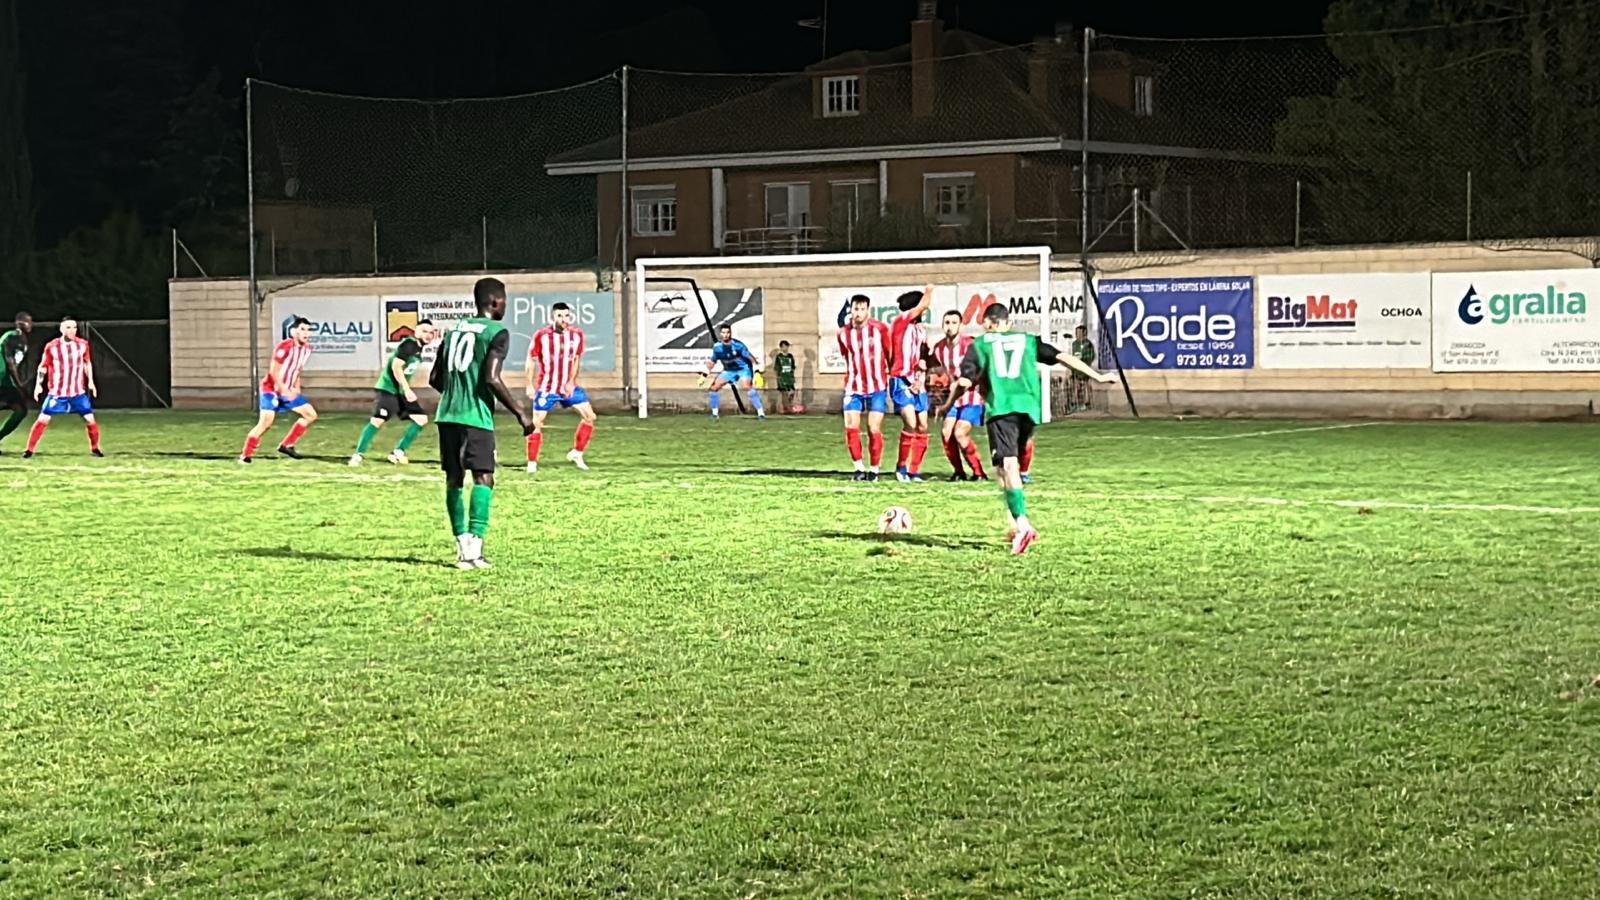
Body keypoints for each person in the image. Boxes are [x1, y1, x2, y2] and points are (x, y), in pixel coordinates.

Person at [942, 303, 1116, 554]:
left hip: (1002, 408)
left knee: (1008, 465)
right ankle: (1014, 524)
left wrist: (948, 402)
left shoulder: (980, 344)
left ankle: (1023, 527)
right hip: (1029, 410)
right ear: (1008, 323)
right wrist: (1097, 376)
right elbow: (1062, 357)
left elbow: (965, 380)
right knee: (1002, 468)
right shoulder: (1027, 340)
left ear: (988, 324)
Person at [432, 277, 535, 569]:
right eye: (504, 301)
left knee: (453, 478)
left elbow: (435, 379)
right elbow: (491, 378)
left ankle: (460, 545)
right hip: (475, 418)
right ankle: (475, 548)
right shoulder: (496, 331)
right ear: (495, 302)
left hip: (447, 415)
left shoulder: (453, 330)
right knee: (483, 477)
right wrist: (520, 414)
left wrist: (457, 394)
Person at [350, 320, 438, 466]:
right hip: (388, 389)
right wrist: (407, 388)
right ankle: (358, 454)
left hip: (400, 392)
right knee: (377, 421)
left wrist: (405, 389)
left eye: (430, 332)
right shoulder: (409, 345)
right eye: (424, 331)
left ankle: (398, 452)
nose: (428, 335)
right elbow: (396, 367)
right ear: (416, 331)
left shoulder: (418, 348)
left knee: (420, 418)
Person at [524, 301, 597, 473]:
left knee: (590, 416)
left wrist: (571, 381)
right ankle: (532, 463)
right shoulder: (541, 335)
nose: (563, 319)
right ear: (553, 317)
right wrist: (529, 385)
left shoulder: (576, 334)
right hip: (546, 388)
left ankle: (577, 453)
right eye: (559, 316)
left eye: (566, 316)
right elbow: (530, 359)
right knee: (537, 423)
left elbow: (576, 359)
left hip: (567, 387)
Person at [240, 316, 316, 464]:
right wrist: (283, 390)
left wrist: (296, 388)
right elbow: (274, 372)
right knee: (265, 423)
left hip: (287, 390)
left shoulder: (306, 349)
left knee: (310, 415)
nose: (306, 333)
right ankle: (245, 455)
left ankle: (286, 445)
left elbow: (297, 369)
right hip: (271, 390)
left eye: (308, 330)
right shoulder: (284, 347)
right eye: (302, 329)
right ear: (294, 332)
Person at [23, 317, 101, 458]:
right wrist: (38, 385)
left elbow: (86, 362)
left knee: (90, 419)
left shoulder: (83, 344)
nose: (72, 331)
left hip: (77, 392)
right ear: (61, 329)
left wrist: (91, 382)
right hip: (57, 393)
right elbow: (43, 366)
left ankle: (95, 449)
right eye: (69, 327)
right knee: (43, 419)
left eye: (75, 328)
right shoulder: (52, 346)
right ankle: (29, 450)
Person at [836, 294, 891, 481]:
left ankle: (874, 470)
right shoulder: (842, 333)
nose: (858, 313)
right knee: (851, 427)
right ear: (850, 310)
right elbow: (846, 355)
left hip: (877, 387)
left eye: (861, 309)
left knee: (873, 428)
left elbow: (888, 352)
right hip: (853, 387)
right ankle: (859, 469)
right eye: (855, 309)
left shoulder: (880, 329)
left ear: (868, 310)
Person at [930, 309, 987, 482]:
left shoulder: (971, 344)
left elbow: (984, 367)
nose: (950, 326)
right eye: (947, 323)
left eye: (954, 323)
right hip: (954, 397)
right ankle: (959, 472)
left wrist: (975, 382)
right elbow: (933, 366)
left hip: (972, 396)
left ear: (961, 325)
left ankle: (978, 472)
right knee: (946, 433)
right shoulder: (939, 348)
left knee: (960, 433)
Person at [888, 285, 934, 482]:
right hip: (900, 380)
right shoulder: (900, 322)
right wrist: (929, 290)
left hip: (918, 381)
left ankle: (914, 471)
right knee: (911, 422)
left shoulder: (921, 330)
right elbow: (923, 304)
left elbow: (923, 356)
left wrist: (920, 378)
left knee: (923, 426)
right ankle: (901, 467)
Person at [704, 324, 765, 420]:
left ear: (730, 333)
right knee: (713, 388)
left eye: (728, 332)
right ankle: (715, 414)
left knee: (746, 386)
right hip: (729, 371)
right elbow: (713, 361)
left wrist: (757, 371)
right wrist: (704, 374)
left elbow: (750, 357)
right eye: (723, 333)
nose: (726, 335)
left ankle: (761, 413)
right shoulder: (717, 347)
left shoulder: (738, 345)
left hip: (743, 369)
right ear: (720, 334)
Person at [0, 311, 32, 453]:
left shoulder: (23, 340)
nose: (30, 324)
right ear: (19, 323)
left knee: (20, 410)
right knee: (20, 409)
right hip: (1, 378)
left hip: (5, 381)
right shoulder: (11, 337)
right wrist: (19, 384)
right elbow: (10, 362)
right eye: (27, 321)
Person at [1069, 324, 1097, 413]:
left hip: (1085, 367)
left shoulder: (1088, 344)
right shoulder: (1074, 344)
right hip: (1076, 368)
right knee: (1075, 385)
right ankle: (1073, 403)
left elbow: (1092, 356)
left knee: (1086, 384)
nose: (1077, 334)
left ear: (1084, 333)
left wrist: (1084, 359)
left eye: (1079, 332)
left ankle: (1086, 403)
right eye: (1076, 333)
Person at [772, 340, 798, 412]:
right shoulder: (779, 357)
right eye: (784, 346)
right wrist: (778, 377)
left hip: (789, 377)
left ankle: (789, 406)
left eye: (787, 346)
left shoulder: (790, 356)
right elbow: (776, 368)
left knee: (792, 392)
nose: (786, 348)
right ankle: (784, 409)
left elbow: (793, 367)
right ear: (781, 347)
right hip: (782, 377)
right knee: (783, 393)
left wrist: (793, 376)